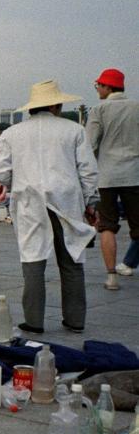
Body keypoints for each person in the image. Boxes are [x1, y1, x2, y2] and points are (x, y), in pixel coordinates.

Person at [0, 80, 98, 334]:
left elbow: (0, 171)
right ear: (55, 105)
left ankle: (34, 320)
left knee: (33, 260)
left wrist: (18, 184)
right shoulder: (74, 130)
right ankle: (75, 320)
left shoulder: (12, 133)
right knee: (71, 260)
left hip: (30, 202)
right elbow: (88, 171)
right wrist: (91, 202)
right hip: (67, 201)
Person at [85, 68, 139, 290]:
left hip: (106, 176)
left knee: (107, 226)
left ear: (108, 87)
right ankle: (129, 262)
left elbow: (90, 145)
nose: (97, 88)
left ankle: (111, 278)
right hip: (134, 174)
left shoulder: (99, 110)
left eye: (99, 85)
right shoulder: (136, 108)